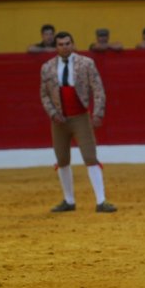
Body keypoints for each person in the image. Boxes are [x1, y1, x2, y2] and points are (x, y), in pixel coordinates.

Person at [40, 31, 117, 213]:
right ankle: (69, 201)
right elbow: (44, 95)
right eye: (61, 44)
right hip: (59, 120)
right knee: (62, 160)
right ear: (56, 46)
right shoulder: (47, 67)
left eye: (68, 43)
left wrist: (98, 113)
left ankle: (101, 201)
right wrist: (53, 113)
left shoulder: (86, 63)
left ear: (73, 44)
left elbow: (98, 89)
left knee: (90, 157)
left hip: (81, 117)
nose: (65, 47)